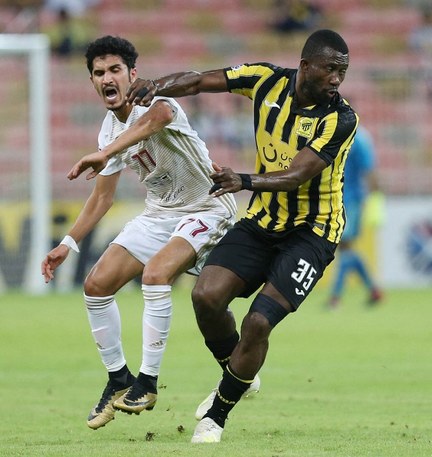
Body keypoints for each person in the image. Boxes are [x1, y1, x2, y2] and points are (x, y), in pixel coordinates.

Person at [127, 29, 357, 444]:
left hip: (313, 232)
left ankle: (217, 414)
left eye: (343, 71)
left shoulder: (340, 118)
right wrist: (155, 86)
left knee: (257, 322)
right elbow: (198, 81)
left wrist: (243, 179)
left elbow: (298, 175)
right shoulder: (264, 78)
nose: (337, 79)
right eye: (331, 69)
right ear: (306, 66)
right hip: (263, 221)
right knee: (205, 296)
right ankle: (239, 376)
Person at [40, 35, 241, 430]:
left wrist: (108, 151)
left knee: (156, 275)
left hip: (206, 206)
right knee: (95, 285)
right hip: (160, 213)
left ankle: (148, 382)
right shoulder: (106, 130)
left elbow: (159, 120)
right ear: (93, 82)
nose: (106, 78)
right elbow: (102, 198)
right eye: (99, 73)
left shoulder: (157, 102)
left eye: (115, 69)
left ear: (133, 74)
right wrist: (68, 243)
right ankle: (120, 379)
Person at [328, 125, 383, 308]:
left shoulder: (359, 138)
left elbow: (370, 169)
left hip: (352, 200)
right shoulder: (337, 133)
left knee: (344, 244)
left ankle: (335, 296)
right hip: (338, 199)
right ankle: (373, 289)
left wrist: (375, 198)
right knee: (346, 247)